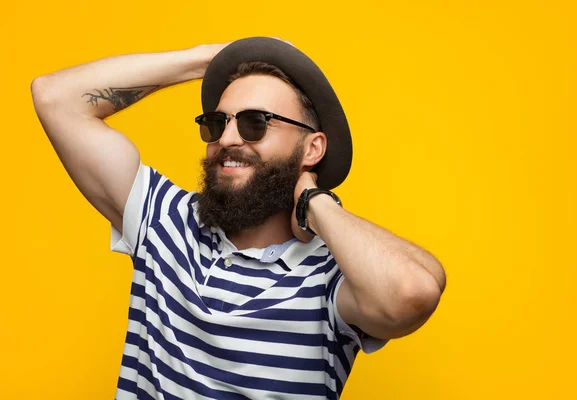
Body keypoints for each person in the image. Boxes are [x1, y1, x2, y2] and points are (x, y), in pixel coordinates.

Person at [32, 36, 446, 399]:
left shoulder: (331, 277)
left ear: (313, 148)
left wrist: (312, 200)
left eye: (255, 123)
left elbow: (411, 293)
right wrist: (210, 60)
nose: (228, 139)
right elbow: (55, 97)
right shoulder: (165, 221)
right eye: (217, 122)